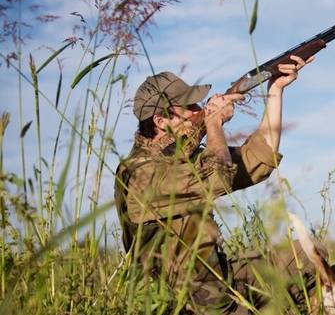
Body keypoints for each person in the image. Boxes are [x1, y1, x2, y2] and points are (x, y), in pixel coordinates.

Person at [114, 56, 315, 314]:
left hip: (215, 278)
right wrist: (213, 124)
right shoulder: (140, 173)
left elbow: (259, 159)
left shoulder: (184, 159)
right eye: (190, 106)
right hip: (186, 302)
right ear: (161, 121)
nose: (200, 109)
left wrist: (275, 90)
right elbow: (217, 177)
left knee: (310, 255)